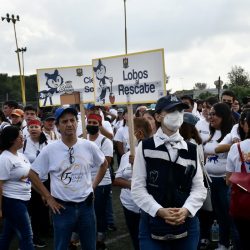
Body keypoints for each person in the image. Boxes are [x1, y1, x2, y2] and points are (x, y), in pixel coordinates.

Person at [131, 95, 207, 250]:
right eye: (172, 110)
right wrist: (159, 211)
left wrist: (186, 210)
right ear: (158, 116)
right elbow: (138, 188)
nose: (177, 115)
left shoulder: (191, 149)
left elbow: (199, 187)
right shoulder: (144, 147)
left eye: (180, 110)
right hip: (152, 221)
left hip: (187, 222)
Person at [28, 107, 108, 250]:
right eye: (64, 121)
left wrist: (93, 186)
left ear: (77, 123)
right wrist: (48, 197)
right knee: (61, 247)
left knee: (90, 247)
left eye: (72, 120)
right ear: (57, 126)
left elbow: (104, 164)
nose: (69, 124)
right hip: (62, 209)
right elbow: (32, 173)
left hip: (86, 207)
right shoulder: (50, 149)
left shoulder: (88, 146)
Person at [114, 117, 152, 250]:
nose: (128, 136)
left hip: (148, 205)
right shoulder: (127, 156)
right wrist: (131, 185)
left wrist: (137, 164)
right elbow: (117, 180)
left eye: (131, 131)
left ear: (139, 133)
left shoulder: (153, 153)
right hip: (129, 204)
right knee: (135, 238)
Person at [204, 103, 234, 250]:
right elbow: (209, 149)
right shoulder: (213, 133)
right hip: (211, 180)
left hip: (224, 181)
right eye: (210, 114)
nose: (211, 117)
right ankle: (223, 243)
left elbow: (211, 148)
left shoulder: (231, 134)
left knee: (230, 215)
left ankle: (233, 243)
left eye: (214, 114)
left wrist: (225, 147)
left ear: (223, 116)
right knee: (219, 215)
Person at [0, 126, 34, 250]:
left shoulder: (21, 156)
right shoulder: (4, 158)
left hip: (23, 199)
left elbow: (29, 174)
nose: (23, 139)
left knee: (7, 235)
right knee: (27, 235)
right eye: (20, 137)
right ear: (11, 140)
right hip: (12, 201)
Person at [86, 112, 114, 250]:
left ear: (99, 125)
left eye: (94, 123)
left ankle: (100, 240)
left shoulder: (105, 141)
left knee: (99, 212)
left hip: (102, 182)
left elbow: (106, 163)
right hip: (84, 181)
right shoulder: (83, 139)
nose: (91, 125)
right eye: (89, 122)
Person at [23, 119, 49, 248]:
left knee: (44, 207)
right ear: (27, 129)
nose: (33, 129)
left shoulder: (47, 141)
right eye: (31, 127)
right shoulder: (24, 142)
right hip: (30, 181)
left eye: (36, 127)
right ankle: (34, 235)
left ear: (41, 128)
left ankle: (45, 229)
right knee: (34, 209)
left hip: (45, 179)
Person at [226, 112, 250, 250]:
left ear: (246, 125)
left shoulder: (237, 147)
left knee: (243, 239)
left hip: (242, 204)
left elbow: (228, 180)